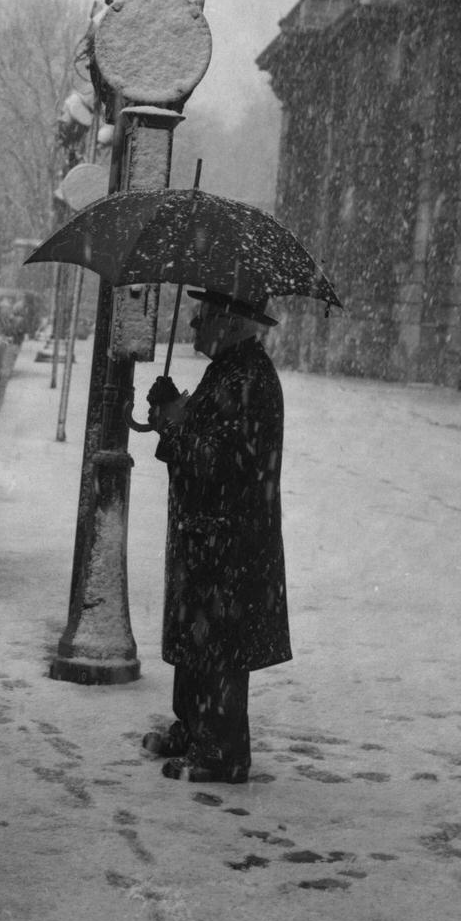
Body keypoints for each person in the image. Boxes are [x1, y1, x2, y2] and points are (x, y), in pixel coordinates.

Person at [143, 288, 291, 783]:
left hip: (229, 544)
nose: (192, 325)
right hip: (210, 538)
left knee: (220, 643)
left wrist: (175, 427)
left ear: (228, 321)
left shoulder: (248, 377)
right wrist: (173, 417)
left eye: (201, 315)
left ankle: (222, 750)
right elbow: (204, 440)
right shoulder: (230, 369)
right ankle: (195, 726)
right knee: (198, 637)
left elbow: (219, 463)